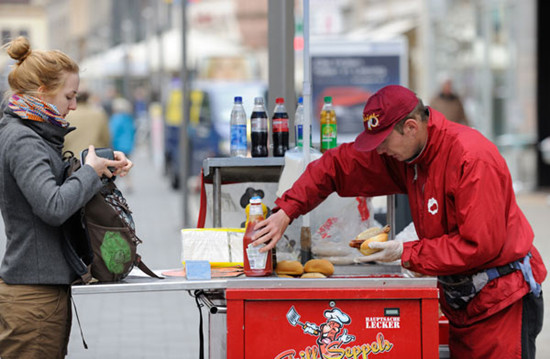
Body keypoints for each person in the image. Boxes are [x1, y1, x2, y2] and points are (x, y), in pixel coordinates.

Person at [253, 85, 546, 358]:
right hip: (464, 304)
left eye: (382, 142)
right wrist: (286, 211)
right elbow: (336, 166)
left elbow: (478, 245)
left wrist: (406, 253)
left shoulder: (471, 158)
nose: (379, 151)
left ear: (411, 127)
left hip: (502, 304)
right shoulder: (407, 155)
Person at [0, 36, 133, 358]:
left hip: (41, 291)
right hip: (33, 297)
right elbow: (53, 206)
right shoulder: (23, 139)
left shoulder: (34, 133)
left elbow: (57, 189)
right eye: (69, 96)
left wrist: (102, 165)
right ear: (43, 91)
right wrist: (89, 171)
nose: (74, 105)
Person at [63, 90, 111, 156]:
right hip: (93, 158)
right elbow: (106, 138)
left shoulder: (66, 115)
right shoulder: (98, 114)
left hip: (70, 158)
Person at [109, 97, 136, 192]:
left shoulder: (116, 118)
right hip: (128, 145)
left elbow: (112, 132)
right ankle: (129, 184)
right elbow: (133, 131)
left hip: (118, 146)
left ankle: (114, 186)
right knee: (126, 165)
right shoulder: (128, 118)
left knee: (117, 166)